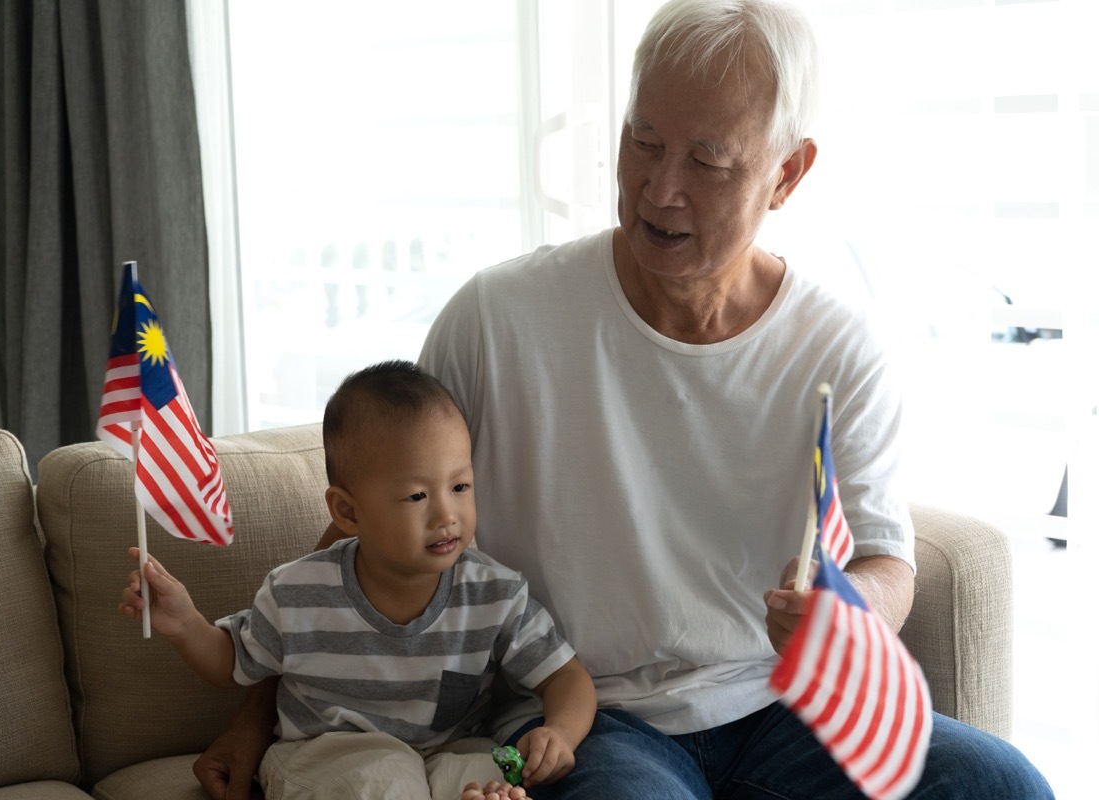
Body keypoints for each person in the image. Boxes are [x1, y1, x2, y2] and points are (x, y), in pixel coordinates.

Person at [194, 1, 1055, 798]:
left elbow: (883, 557)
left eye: (708, 161)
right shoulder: (496, 320)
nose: (659, 188)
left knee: (1001, 783)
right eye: (642, 142)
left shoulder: (838, 345)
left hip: (778, 709)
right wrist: (254, 715)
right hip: (580, 711)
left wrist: (845, 617)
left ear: (787, 174)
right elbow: (368, 531)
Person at [121, 360, 596, 800]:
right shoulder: (297, 592)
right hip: (327, 755)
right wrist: (185, 624)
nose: (447, 514)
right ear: (347, 511)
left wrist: (560, 732)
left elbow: (566, 677)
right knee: (386, 777)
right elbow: (231, 663)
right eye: (416, 495)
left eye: (460, 486)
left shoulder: (495, 592)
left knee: (486, 778)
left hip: (447, 753)